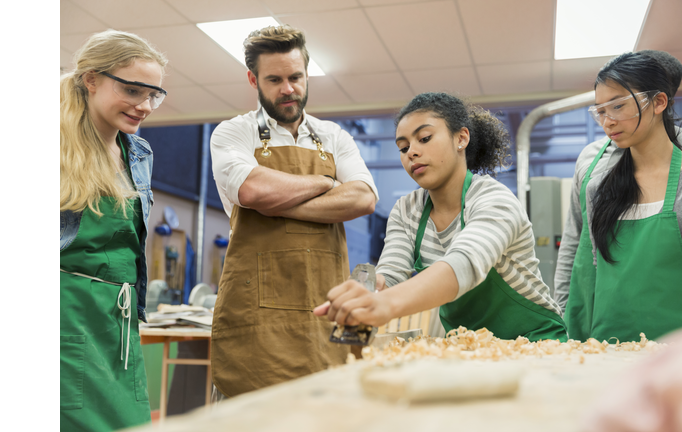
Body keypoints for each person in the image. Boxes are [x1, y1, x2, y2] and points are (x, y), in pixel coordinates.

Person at [313, 92, 568, 342]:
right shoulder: (407, 209)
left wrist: (386, 305)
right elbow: (391, 273)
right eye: (403, 147)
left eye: (424, 138)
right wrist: (370, 289)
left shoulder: (493, 199)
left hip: (536, 343)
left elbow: (463, 264)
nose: (411, 152)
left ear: (461, 138)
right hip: (472, 345)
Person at [209, 25, 379, 398]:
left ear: (306, 74)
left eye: (296, 77)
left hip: (324, 309)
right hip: (257, 323)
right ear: (253, 79)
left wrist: (278, 202)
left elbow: (364, 199)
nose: (288, 88)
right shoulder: (233, 133)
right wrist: (326, 182)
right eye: (274, 79)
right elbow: (253, 190)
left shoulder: (334, 136)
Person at [555, 50, 682, 342]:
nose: (607, 121)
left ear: (659, 102)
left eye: (618, 106)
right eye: (600, 111)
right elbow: (583, 258)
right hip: (608, 351)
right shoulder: (598, 186)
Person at [60, 30, 168, 431]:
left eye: (154, 94)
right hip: (66, 311)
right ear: (91, 79)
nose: (145, 106)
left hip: (120, 318)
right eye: (133, 90)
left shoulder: (138, 153)